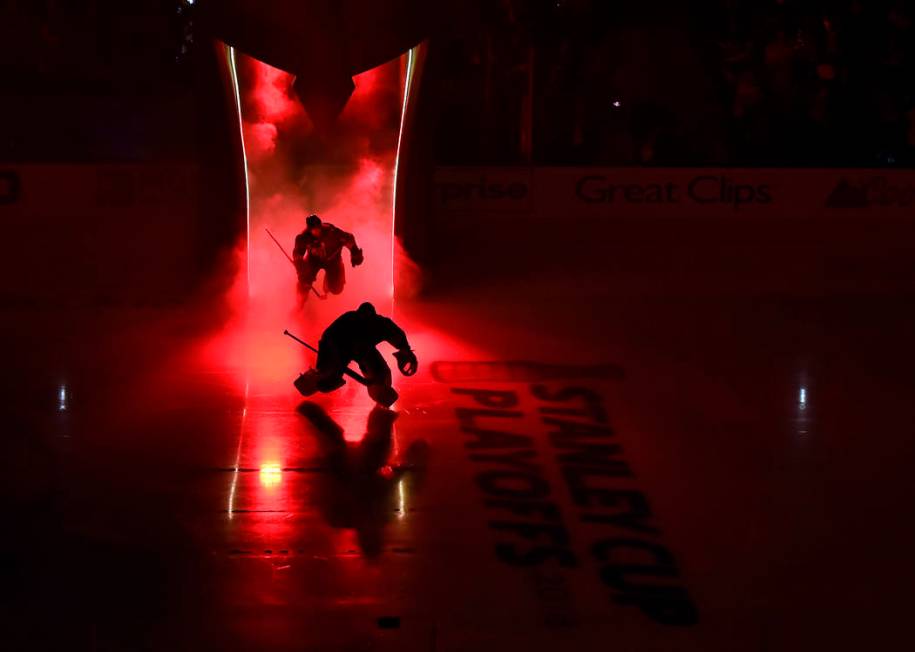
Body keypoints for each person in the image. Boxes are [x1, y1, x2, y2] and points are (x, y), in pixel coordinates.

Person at [294, 303, 417, 407]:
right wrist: (326, 370)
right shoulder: (347, 323)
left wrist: (404, 348)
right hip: (338, 348)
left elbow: (395, 333)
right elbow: (327, 339)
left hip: (363, 350)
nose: (365, 325)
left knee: (382, 374)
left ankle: (381, 390)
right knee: (328, 380)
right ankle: (312, 379)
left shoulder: (379, 325)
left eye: (368, 323)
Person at [292, 214, 364, 303]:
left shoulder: (333, 233)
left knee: (336, 289)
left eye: (318, 228)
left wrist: (355, 253)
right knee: (304, 283)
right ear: (309, 229)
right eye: (314, 229)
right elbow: (297, 253)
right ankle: (299, 303)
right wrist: (300, 267)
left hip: (333, 259)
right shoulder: (304, 237)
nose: (317, 231)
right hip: (314, 260)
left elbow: (349, 239)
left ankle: (329, 283)